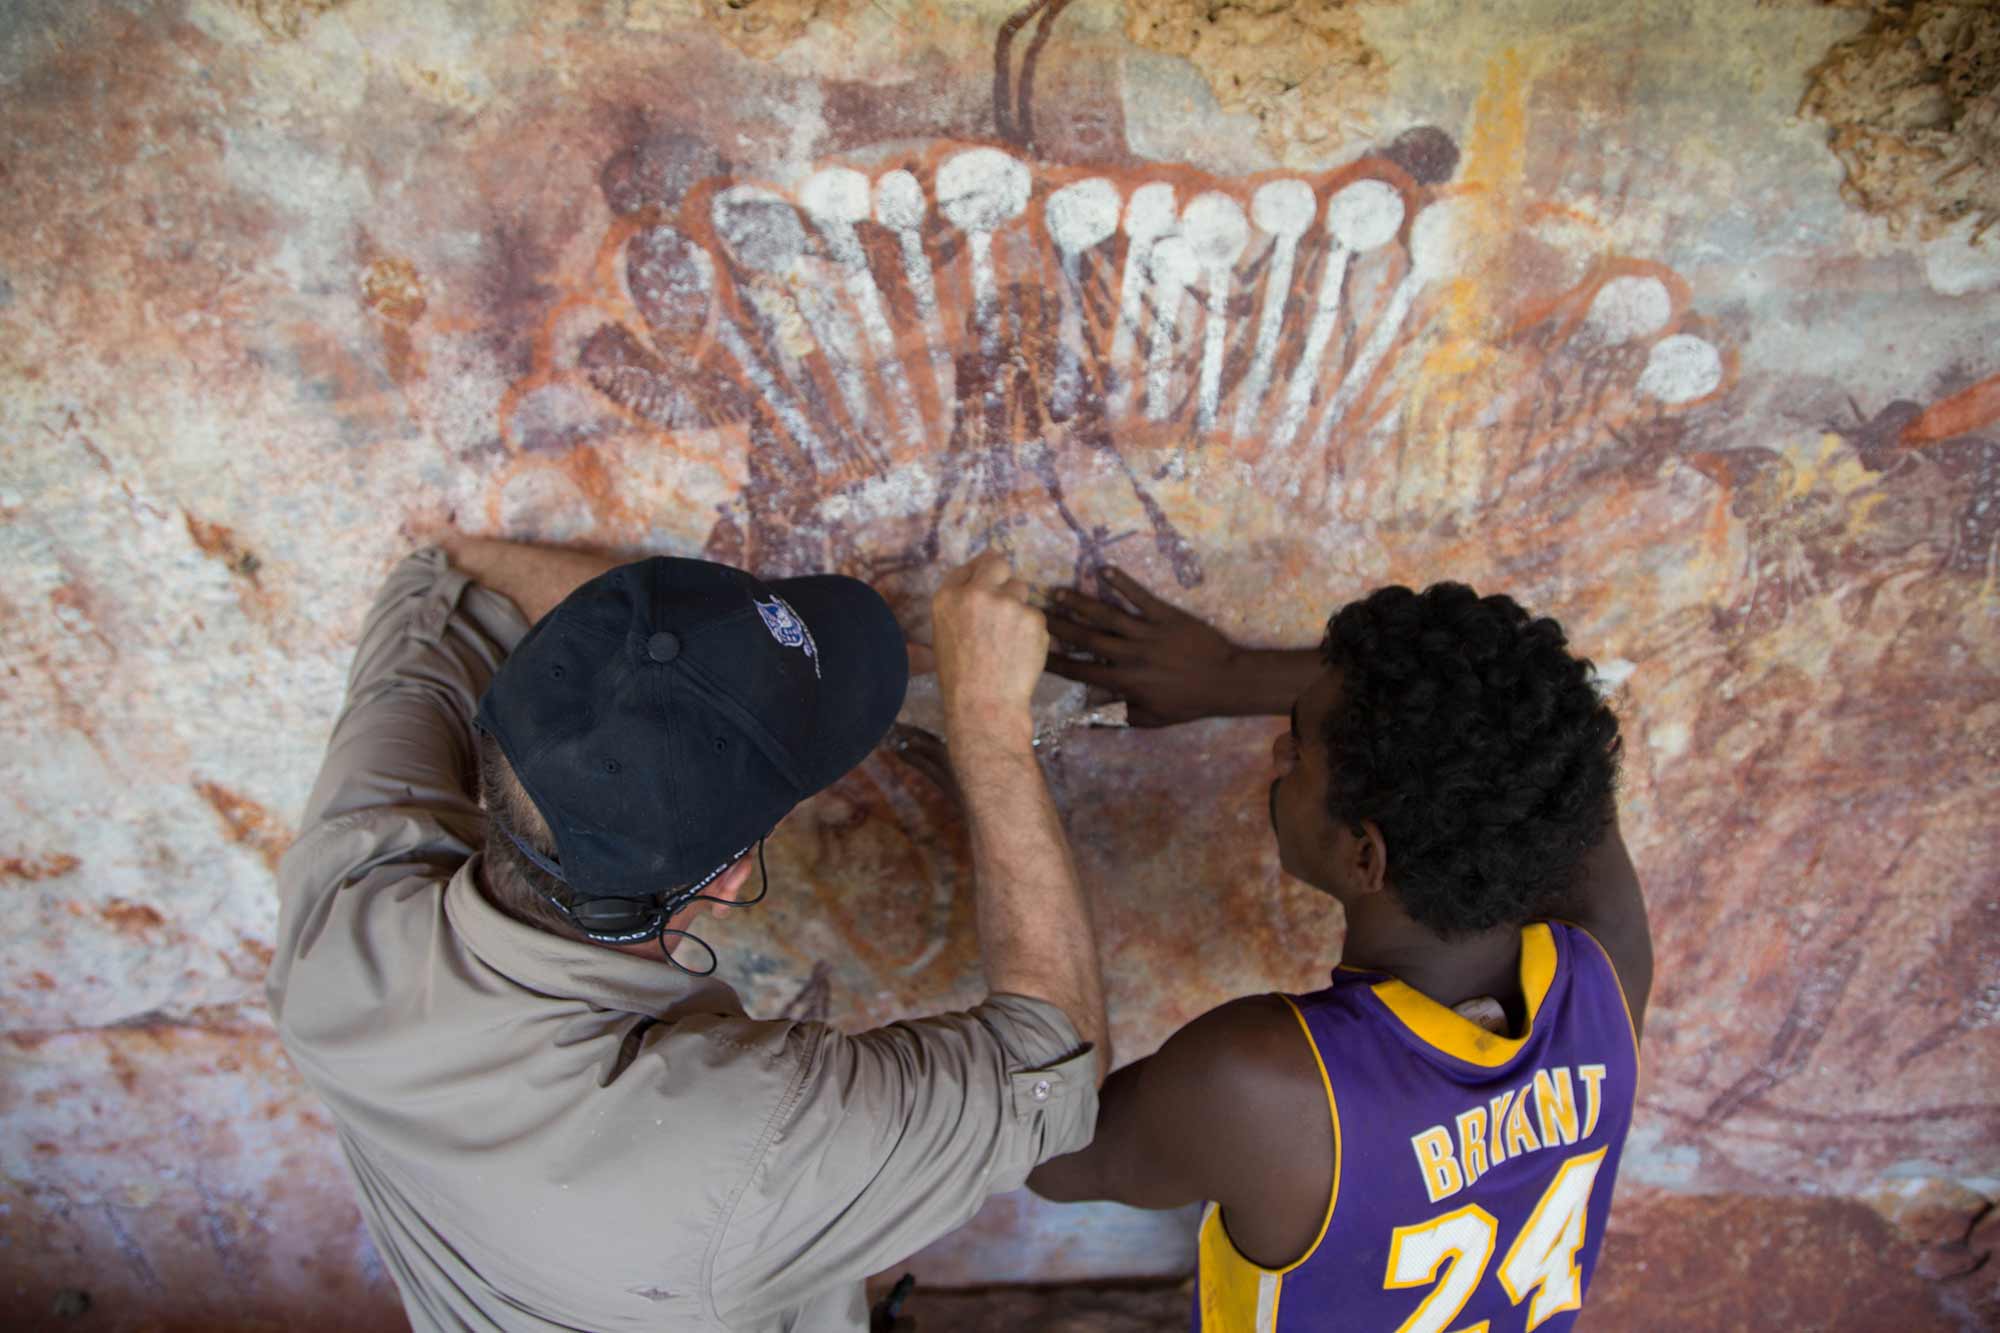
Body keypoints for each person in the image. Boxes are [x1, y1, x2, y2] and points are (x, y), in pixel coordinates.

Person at [266, 538, 1107, 1332]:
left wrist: (711, 654)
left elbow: (444, 576)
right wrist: (989, 723)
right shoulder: (742, 1147)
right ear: (730, 878)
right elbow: (1057, 1061)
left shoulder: (345, 920)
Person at [1030, 568, 1650, 1332]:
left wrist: (1013, 807)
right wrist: (1226, 676)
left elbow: (1045, 1149)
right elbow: (1552, 714)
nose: (1278, 747)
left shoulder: (1260, 1082)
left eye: (1300, 753)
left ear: (1365, 856)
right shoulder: (1608, 975)